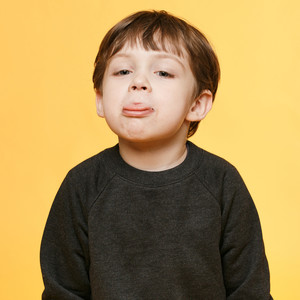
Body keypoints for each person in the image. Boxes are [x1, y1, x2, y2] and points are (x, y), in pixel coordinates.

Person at [40, 10, 273, 299]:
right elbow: (63, 290)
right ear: (100, 99)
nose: (138, 82)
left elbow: (250, 290)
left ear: (197, 104)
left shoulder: (222, 183)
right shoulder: (82, 185)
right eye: (123, 71)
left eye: (163, 72)